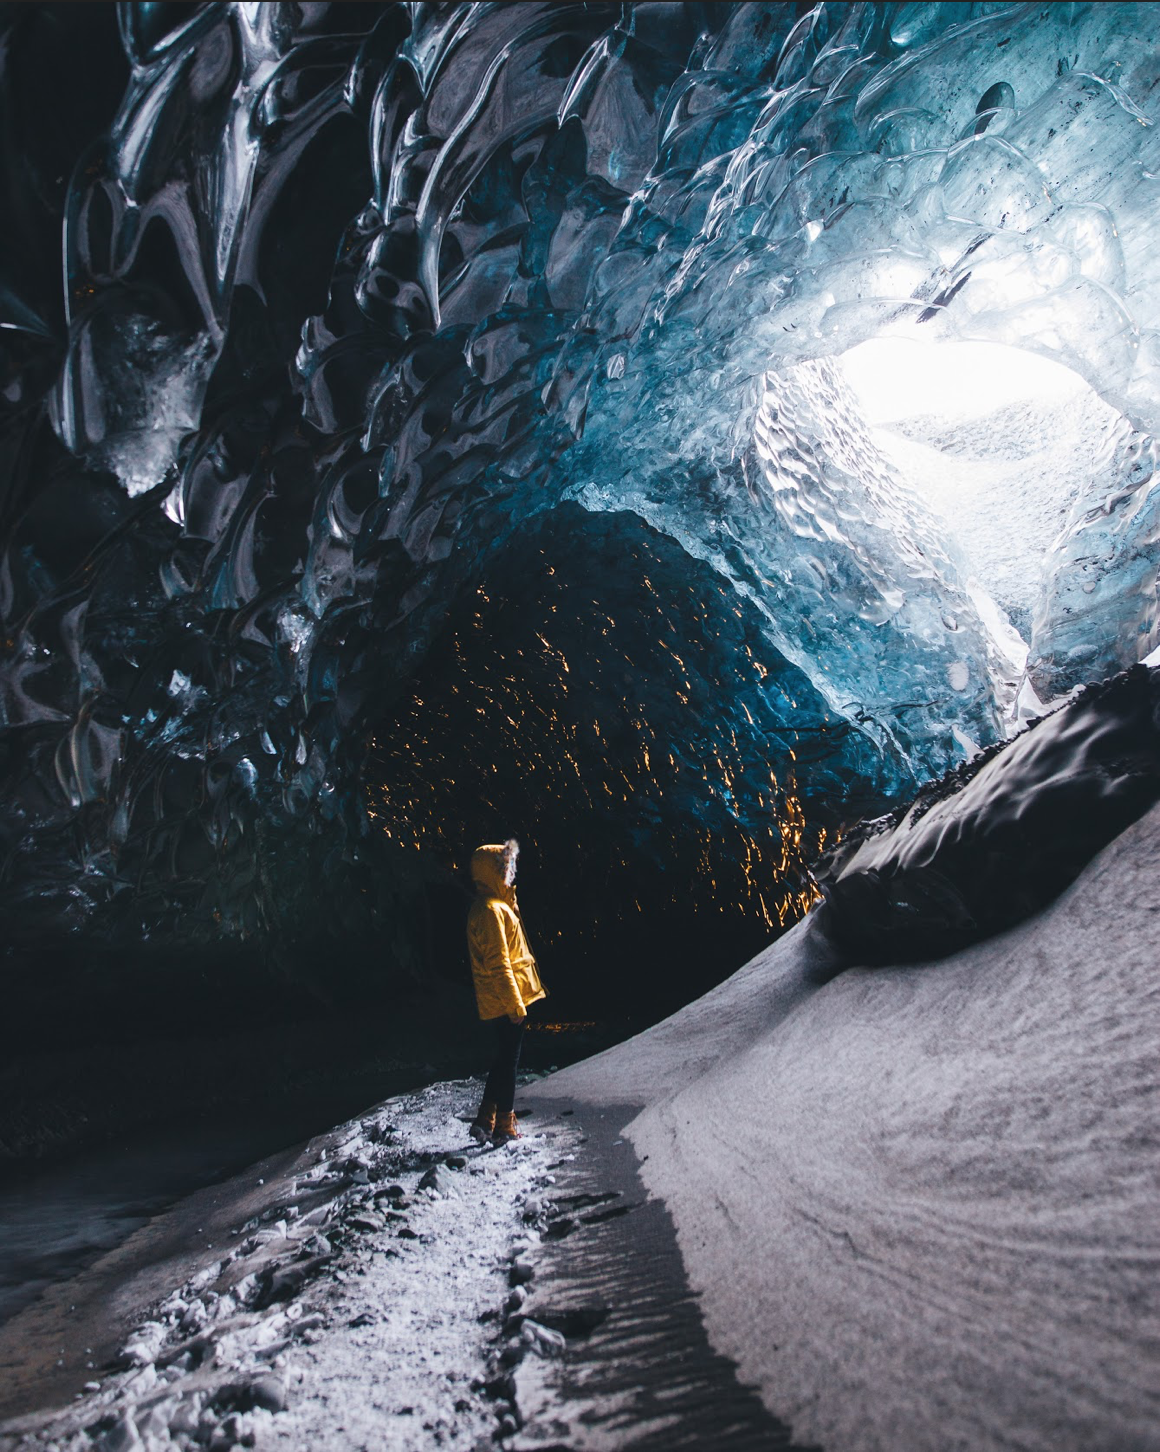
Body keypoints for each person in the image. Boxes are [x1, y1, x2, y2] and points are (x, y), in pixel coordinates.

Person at [466, 839, 546, 1144]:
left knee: (502, 1060)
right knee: (509, 1062)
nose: (509, 873)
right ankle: (505, 1124)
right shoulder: (490, 911)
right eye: (504, 869)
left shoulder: (495, 906)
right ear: (491, 873)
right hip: (505, 1000)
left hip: (502, 998)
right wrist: (515, 1006)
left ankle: (485, 1119)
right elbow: (500, 963)